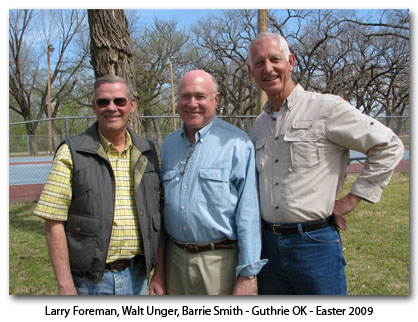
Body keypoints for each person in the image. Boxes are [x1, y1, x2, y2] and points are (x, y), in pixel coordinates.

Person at [248, 32, 404, 295]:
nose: (268, 68)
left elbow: (388, 145)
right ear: (252, 72)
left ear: (291, 61)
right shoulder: (259, 125)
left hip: (314, 244)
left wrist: (352, 199)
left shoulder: (327, 109)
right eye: (259, 63)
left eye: (275, 59)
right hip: (269, 248)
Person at [34, 75, 163, 295]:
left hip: (139, 278)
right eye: (103, 102)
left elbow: (159, 217)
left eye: (119, 101)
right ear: (94, 107)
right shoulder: (71, 152)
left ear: (132, 105)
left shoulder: (148, 153)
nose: (111, 108)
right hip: (90, 283)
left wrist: (159, 274)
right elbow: (52, 220)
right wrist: (65, 284)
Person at [155, 70, 267, 295]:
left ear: (215, 100)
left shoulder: (236, 144)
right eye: (185, 96)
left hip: (219, 264)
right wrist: (160, 272)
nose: (192, 103)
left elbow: (248, 214)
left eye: (200, 96)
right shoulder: (169, 146)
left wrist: (247, 274)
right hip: (175, 261)